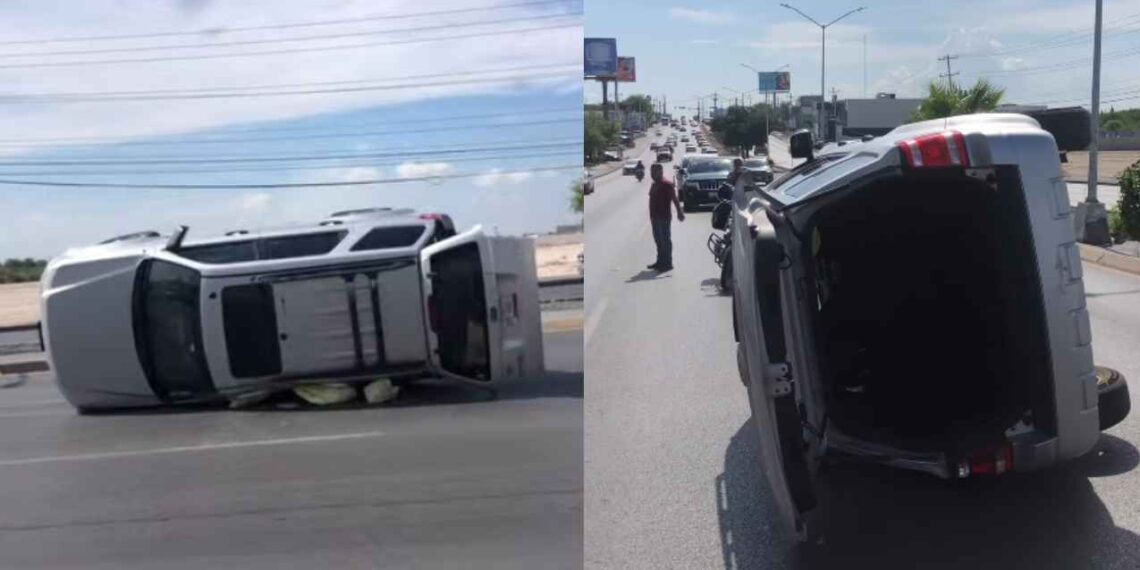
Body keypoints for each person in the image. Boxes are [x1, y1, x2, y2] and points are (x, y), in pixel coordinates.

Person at [647, 162, 684, 272]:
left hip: (663, 217)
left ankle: (668, 263)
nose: (652, 174)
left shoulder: (666, 184)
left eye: (655, 171)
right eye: (651, 171)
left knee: (665, 240)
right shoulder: (654, 184)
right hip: (655, 217)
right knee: (658, 240)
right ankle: (660, 261)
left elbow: (675, 199)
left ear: (661, 172)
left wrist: (679, 212)